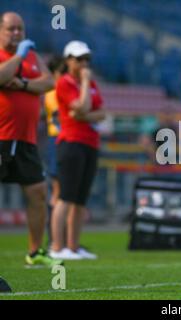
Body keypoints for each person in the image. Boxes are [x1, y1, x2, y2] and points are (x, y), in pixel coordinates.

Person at [0, 12, 62, 267]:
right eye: (11, 29)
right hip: (1, 137)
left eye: (20, 29)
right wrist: (18, 58)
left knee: (37, 192)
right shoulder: (17, 56)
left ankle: (35, 251)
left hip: (26, 139)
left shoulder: (33, 57)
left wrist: (23, 83)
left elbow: (48, 82)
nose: (16, 33)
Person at [50, 40, 105, 260]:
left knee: (80, 199)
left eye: (86, 59)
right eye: (79, 59)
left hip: (89, 143)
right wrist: (84, 83)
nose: (84, 63)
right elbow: (82, 106)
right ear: (68, 60)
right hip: (71, 142)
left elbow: (100, 113)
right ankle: (57, 246)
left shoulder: (89, 84)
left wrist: (84, 114)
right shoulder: (65, 82)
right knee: (66, 196)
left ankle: (73, 247)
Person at [44, 55, 66, 242]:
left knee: (65, 191)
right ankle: (55, 239)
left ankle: (63, 239)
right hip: (57, 140)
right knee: (58, 190)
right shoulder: (53, 92)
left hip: (64, 141)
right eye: (62, 72)